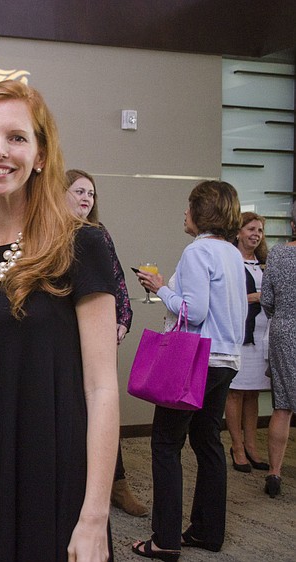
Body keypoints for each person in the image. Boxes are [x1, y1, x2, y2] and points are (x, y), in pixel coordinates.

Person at [0, 80, 119, 561]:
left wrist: (95, 516)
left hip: (50, 483)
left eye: (17, 137)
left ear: (39, 156)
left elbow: (101, 390)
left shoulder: (80, 246)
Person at [133, 180, 246, 560]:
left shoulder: (198, 252)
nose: (184, 213)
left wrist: (159, 287)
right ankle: (208, 532)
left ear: (202, 212)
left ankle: (165, 540)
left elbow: (192, 312)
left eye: (188, 206)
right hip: (227, 359)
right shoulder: (232, 253)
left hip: (195, 360)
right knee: (208, 442)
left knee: (165, 445)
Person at [66, 168, 147, 518]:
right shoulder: (45, 234)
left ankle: (117, 484)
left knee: (102, 409)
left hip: (95, 339)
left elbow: (117, 285)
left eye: (92, 194)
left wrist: (122, 321)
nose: (87, 198)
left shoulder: (98, 235)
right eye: (80, 191)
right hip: (61, 339)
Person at [225, 212, 271, 473]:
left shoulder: (265, 262)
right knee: (236, 391)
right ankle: (237, 446)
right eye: (251, 229)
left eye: (260, 230)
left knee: (253, 392)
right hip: (240, 333)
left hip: (262, 334)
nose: (256, 234)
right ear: (239, 232)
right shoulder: (231, 260)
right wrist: (255, 297)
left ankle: (252, 445)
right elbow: (230, 296)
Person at [261, 200, 296, 498]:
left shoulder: (279, 254)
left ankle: (274, 472)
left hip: (284, 329)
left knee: (282, 405)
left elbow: (267, 301)